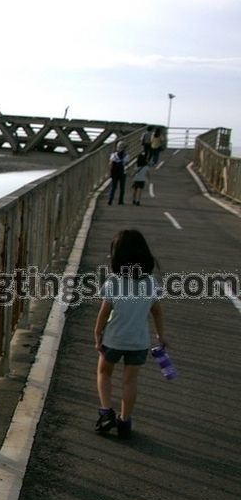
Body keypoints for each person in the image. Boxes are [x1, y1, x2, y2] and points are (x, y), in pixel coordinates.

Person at [93, 229, 167, 437]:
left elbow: (103, 312)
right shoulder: (150, 283)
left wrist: (98, 334)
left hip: (114, 340)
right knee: (130, 381)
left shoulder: (114, 282)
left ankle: (106, 411)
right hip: (139, 342)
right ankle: (125, 420)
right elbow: (157, 313)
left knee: (104, 372)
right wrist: (161, 336)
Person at [108, 141, 129, 205]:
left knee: (113, 186)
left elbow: (110, 163)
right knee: (122, 187)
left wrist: (110, 171)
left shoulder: (113, 155)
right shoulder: (126, 155)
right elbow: (126, 163)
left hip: (114, 173)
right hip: (122, 172)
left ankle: (110, 199)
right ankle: (120, 201)